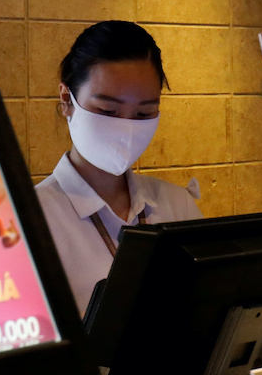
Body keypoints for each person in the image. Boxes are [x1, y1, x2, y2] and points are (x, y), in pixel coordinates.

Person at [34, 20, 201, 316]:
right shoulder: (30, 221)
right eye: (107, 111)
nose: (125, 127)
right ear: (66, 100)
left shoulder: (178, 206)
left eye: (143, 113)